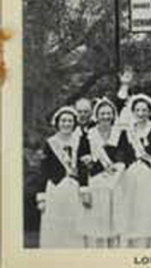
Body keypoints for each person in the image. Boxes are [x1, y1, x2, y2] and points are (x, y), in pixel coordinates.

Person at [116, 67, 151, 248]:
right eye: (137, 109)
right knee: (130, 208)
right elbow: (119, 105)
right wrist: (125, 85)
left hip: (149, 174)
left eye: (144, 109)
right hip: (130, 174)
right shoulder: (126, 129)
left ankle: (146, 248)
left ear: (149, 111)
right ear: (133, 111)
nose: (141, 113)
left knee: (147, 209)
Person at [78, 98, 128, 248]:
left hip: (116, 182)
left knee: (114, 220)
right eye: (102, 113)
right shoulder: (88, 135)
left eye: (109, 113)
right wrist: (84, 189)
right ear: (96, 115)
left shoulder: (120, 134)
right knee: (97, 221)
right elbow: (81, 164)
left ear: (113, 115)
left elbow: (125, 156)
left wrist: (114, 169)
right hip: (96, 183)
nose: (106, 116)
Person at [37, 106, 89, 248]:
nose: (66, 124)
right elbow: (43, 170)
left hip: (74, 188)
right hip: (55, 188)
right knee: (54, 223)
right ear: (57, 123)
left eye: (70, 121)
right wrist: (42, 197)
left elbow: (83, 168)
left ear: (74, 123)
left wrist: (84, 189)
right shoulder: (50, 143)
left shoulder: (81, 141)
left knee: (74, 222)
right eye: (63, 121)